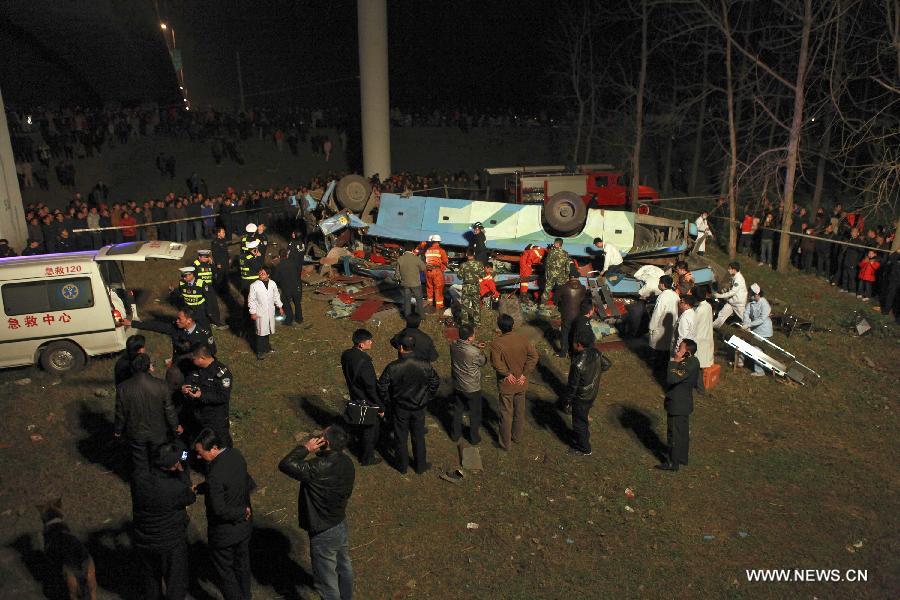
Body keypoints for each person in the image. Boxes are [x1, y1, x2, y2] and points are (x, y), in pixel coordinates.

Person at [278, 425, 356, 600]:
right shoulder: (347, 462)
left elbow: (285, 464)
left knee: (326, 583)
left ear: (325, 442)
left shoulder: (316, 467)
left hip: (323, 530)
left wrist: (306, 448)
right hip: (339, 522)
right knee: (344, 567)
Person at [193, 429, 255, 600]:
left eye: (200, 453)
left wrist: (240, 513)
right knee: (242, 565)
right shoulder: (236, 455)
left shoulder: (214, 474)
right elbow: (233, 483)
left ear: (213, 448)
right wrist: (202, 488)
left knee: (225, 573)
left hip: (224, 534)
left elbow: (219, 509)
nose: (198, 457)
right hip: (244, 528)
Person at [131, 443, 196, 600]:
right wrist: (183, 468)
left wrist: (180, 455)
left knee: (151, 580)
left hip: (144, 540)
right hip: (170, 543)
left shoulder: (138, 479)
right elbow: (190, 496)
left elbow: (182, 455)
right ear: (173, 466)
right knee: (176, 582)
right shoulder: (175, 488)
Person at [377, 336, 440, 474]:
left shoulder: (393, 367)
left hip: (400, 407)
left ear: (400, 348)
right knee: (418, 436)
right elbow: (435, 381)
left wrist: (388, 400)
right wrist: (427, 396)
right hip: (419, 407)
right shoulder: (425, 365)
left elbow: (382, 386)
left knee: (400, 437)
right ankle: (420, 466)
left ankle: (402, 466)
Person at [114, 354, 181, 474]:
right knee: (159, 457)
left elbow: (120, 413)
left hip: (136, 432)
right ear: (148, 367)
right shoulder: (161, 385)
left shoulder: (123, 388)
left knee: (140, 462)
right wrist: (175, 427)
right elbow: (169, 411)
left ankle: (142, 482)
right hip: (158, 431)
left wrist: (118, 431)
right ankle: (157, 479)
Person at [489, 314, 539, 450]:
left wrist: (506, 373)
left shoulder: (496, 344)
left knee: (506, 413)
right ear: (512, 325)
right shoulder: (523, 339)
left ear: (500, 327)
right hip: (521, 382)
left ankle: (505, 443)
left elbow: (495, 363)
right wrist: (525, 373)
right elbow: (533, 356)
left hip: (507, 383)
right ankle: (517, 436)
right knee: (519, 410)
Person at [340, 329, 384, 466]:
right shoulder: (364, 363)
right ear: (361, 344)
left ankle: (359, 442)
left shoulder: (346, 355)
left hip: (355, 394)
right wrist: (380, 407)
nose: (371, 342)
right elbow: (370, 387)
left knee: (361, 424)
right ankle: (366, 458)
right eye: (368, 341)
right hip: (366, 399)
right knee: (370, 430)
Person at [656, 339, 700, 471]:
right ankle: (681, 458)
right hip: (684, 403)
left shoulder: (687, 364)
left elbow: (672, 378)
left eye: (680, 347)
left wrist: (674, 361)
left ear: (687, 352)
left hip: (677, 404)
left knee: (674, 434)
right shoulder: (694, 361)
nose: (677, 348)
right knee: (682, 433)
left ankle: (672, 462)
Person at [565, 331, 606, 456]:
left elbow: (573, 386)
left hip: (581, 398)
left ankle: (584, 448)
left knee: (578, 423)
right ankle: (584, 436)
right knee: (583, 418)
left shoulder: (577, 364)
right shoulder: (596, 353)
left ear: (579, 345)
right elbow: (607, 364)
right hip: (592, 394)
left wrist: (568, 401)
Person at [182, 345, 234, 445]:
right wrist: (185, 390)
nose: (192, 361)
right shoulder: (194, 369)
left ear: (202, 359)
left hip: (215, 419)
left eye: (194, 359)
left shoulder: (222, 374)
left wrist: (201, 395)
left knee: (222, 444)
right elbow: (189, 382)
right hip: (197, 416)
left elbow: (223, 397)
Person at [449, 324, 487, 444]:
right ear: (470, 338)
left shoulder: (453, 345)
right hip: (472, 388)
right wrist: (479, 350)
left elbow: (460, 344)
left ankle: (455, 435)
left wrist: (474, 345)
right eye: (473, 334)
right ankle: (474, 438)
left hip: (457, 384)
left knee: (458, 410)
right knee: (474, 413)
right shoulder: (474, 352)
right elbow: (483, 361)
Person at [128, 308, 217, 360]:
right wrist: (133, 324)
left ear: (189, 320)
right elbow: (156, 326)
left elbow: (212, 351)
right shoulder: (176, 328)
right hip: (177, 364)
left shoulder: (203, 334)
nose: (177, 321)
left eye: (179, 319)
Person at [248, 266, 284, 359]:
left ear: (268, 274)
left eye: (263, 273)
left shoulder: (272, 284)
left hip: (270, 311)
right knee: (261, 332)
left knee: (267, 331)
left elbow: (276, 296)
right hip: (260, 312)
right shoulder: (254, 285)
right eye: (260, 273)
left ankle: (267, 348)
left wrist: (280, 307)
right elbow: (251, 300)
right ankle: (260, 351)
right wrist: (253, 312)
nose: (261, 275)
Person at [739, 284, 772, 376]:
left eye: (751, 294)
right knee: (742, 341)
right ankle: (740, 361)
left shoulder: (765, 304)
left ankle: (760, 371)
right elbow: (746, 313)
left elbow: (761, 319)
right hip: (754, 328)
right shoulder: (751, 302)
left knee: (756, 350)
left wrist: (749, 325)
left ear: (757, 294)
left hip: (764, 331)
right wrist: (746, 323)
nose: (749, 295)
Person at [555, 267, 587, 358]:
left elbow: (555, 299)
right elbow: (585, 301)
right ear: (578, 277)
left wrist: (561, 303)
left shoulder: (563, 287)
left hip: (566, 314)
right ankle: (574, 353)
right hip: (578, 315)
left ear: (569, 277)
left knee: (565, 333)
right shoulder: (583, 288)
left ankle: (563, 352)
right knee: (575, 333)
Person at [648, 275, 679, 366]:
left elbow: (657, 313)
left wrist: (652, 327)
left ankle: (658, 365)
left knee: (659, 346)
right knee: (668, 346)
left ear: (662, 284)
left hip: (661, 325)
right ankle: (665, 364)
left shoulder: (662, 297)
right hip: (673, 324)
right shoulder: (676, 295)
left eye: (659, 283)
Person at [395, 243, 427, 317]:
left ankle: (407, 316)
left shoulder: (400, 259)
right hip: (416, 283)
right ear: (412, 250)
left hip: (405, 284)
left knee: (407, 300)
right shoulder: (416, 258)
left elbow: (397, 274)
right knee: (419, 300)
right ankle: (421, 316)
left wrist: (400, 279)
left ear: (404, 250)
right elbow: (423, 268)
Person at [712, 262, 747, 328]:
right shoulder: (734, 276)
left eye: (730, 269)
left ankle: (750, 332)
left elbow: (733, 292)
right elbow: (731, 287)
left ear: (734, 270)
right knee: (722, 314)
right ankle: (712, 327)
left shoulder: (739, 279)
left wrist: (719, 296)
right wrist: (725, 290)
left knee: (745, 320)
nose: (728, 270)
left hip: (738, 304)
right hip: (731, 302)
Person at [274, 249, 303, 325]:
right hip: (297, 286)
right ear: (287, 255)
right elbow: (298, 273)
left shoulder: (279, 266)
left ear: (279, 256)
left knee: (286, 303)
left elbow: (276, 279)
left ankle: (289, 319)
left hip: (286, 288)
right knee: (297, 303)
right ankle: (299, 319)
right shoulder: (294, 263)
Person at [456, 250, 484, 327]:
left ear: (466, 255)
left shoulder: (463, 265)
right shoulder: (479, 264)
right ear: (474, 254)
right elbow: (482, 275)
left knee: (465, 306)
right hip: (475, 287)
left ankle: (465, 323)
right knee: (476, 306)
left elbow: (459, 277)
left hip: (466, 288)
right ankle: (477, 323)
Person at [423, 234, 449, 312]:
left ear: (432, 241)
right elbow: (445, 261)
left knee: (429, 288)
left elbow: (425, 260)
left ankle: (429, 304)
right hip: (437, 271)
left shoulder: (427, 250)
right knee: (438, 288)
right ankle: (439, 306)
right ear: (439, 242)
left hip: (428, 271)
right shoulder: (441, 250)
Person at [540, 239, 570, 305]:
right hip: (561, 276)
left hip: (551, 275)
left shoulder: (551, 252)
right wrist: (567, 276)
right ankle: (560, 305)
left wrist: (546, 274)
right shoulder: (565, 253)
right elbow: (567, 267)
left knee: (547, 291)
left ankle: (542, 305)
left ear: (557, 244)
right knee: (561, 291)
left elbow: (547, 264)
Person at [692, 288, 715, 370]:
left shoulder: (699, 310)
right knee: (706, 356)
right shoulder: (708, 306)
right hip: (707, 333)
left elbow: (693, 324)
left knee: (699, 358)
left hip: (700, 335)